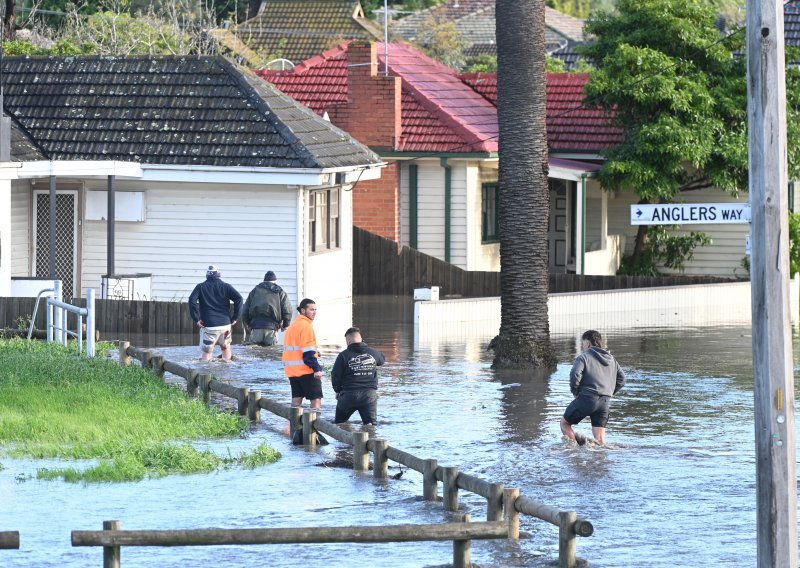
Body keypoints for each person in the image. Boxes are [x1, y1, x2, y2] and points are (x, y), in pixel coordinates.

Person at [560, 330, 625, 445]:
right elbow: (622, 379)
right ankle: (599, 461)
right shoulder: (612, 359)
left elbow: (575, 374)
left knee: (564, 424)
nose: (583, 347)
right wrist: (608, 392)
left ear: (588, 344)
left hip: (587, 398)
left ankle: (574, 453)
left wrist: (576, 392)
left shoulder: (584, 357)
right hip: (604, 402)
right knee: (600, 441)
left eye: (583, 343)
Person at [188, 265, 243, 362]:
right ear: (218, 274)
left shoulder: (200, 287)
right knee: (226, 349)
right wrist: (235, 317)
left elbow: (192, 301)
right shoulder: (226, 286)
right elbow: (239, 299)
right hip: (225, 326)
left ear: (207, 275)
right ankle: (226, 376)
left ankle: (206, 375)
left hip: (209, 326)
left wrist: (196, 318)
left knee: (207, 354)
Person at [332, 327, 386, 425]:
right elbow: (382, 360)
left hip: (348, 395)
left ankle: (342, 440)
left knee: (339, 424)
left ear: (348, 341)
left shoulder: (343, 355)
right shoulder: (372, 353)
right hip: (369, 396)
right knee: (371, 426)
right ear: (361, 339)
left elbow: (335, 376)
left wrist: (338, 391)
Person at [282, 298, 323, 408]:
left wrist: (315, 353)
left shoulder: (292, 326)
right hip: (306, 370)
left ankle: (294, 423)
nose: (314, 312)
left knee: (296, 400)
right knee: (316, 400)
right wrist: (317, 369)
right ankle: (313, 424)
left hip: (292, 371)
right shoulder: (306, 327)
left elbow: (296, 349)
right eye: (311, 310)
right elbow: (308, 353)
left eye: (315, 310)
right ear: (303, 311)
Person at [242, 270, 292, 346]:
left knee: (254, 354)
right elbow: (287, 311)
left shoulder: (255, 290)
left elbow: (244, 311)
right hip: (272, 328)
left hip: (256, 327)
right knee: (270, 354)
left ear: (264, 281)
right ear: (275, 281)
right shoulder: (280, 292)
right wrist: (285, 325)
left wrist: (248, 324)